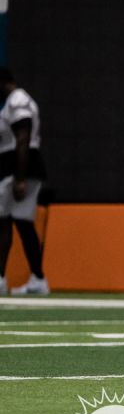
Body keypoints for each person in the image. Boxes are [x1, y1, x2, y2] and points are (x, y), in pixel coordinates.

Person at [0, 68, 48, 296]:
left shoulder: (18, 100)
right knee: (20, 223)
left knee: (8, 222)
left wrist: (19, 177)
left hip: (19, 168)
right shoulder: (11, 102)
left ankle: (33, 277)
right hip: (14, 167)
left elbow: (23, 137)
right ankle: (37, 277)